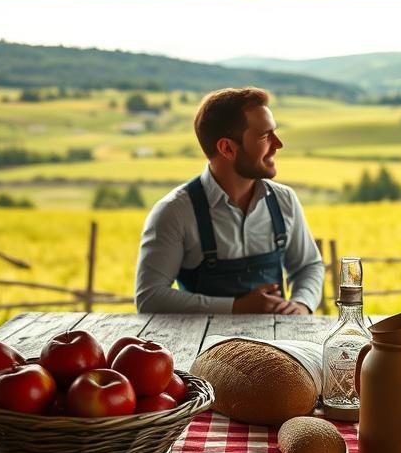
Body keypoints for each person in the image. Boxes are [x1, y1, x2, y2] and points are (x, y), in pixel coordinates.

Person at [135, 87, 325, 314]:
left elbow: (308, 266)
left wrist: (302, 305)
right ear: (227, 148)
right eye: (265, 136)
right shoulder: (174, 212)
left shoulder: (284, 200)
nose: (278, 144)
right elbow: (149, 297)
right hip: (203, 338)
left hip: (276, 337)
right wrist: (237, 307)